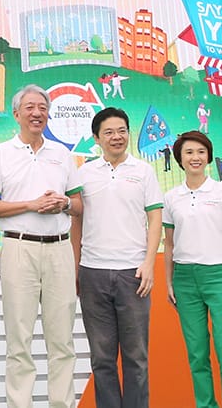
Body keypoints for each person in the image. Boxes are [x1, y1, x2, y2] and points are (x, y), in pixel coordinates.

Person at [0, 84, 77, 408]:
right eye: (30, 108)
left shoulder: (61, 154)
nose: (37, 113)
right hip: (19, 249)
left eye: (43, 108)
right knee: (19, 339)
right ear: (17, 113)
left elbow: (79, 204)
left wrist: (63, 204)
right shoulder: (3, 154)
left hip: (60, 250)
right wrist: (31, 205)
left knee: (62, 340)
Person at [66, 108, 162, 408]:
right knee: (102, 358)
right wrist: (76, 267)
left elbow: (155, 218)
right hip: (93, 272)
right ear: (97, 138)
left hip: (132, 273)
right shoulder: (84, 173)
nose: (116, 137)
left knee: (136, 357)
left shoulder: (143, 171)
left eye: (121, 130)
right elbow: (76, 222)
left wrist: (148, 263)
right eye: (108, 132)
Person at [160, 131, 222, 408]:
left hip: (221, 276)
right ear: (180, 159)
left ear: (208, 156)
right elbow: (169, 244)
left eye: (201, 152)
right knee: (197, 354)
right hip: (185, 278)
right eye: (189, 153)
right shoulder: (171, 197)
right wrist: (168, 281)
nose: (195, 157)